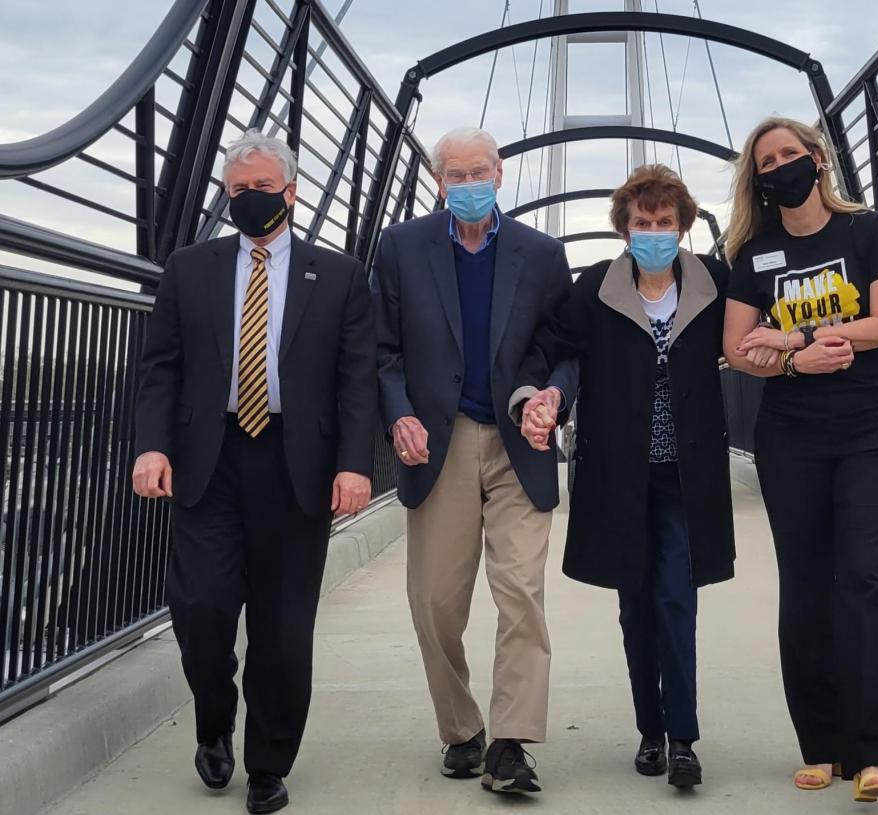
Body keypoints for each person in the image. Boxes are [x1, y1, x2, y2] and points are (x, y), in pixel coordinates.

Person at [132, 130, 376, 814]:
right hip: (208, 462)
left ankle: (268, 765)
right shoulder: (190, 267)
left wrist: (355, 463)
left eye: (263, 189)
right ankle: (214, 722)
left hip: (295, 467)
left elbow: (355, 380)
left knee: (282, 627)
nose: (250, 200)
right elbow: (161, 367)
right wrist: (151, 446)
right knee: (202, 611)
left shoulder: (340, 276)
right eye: (239, 191)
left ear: (291, 193)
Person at [370, 127, 577, 795]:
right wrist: (398, 411)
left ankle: (512, 741)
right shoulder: (401, 248)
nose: (466, 186)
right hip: (439, 440)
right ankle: (461, 728)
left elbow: (567, 351)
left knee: (520, 591)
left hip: (521, 440)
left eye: (477, 173)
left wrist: (553, 396)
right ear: (437, 181)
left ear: (500, 172)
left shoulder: (543, 255)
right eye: (453, 176)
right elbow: (382, 350)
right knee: (435, 599)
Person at [515, 164, 735, 789]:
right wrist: (544, 397)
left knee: (676, 599)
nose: (654, 233)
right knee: (636, 606)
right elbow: (557, 350)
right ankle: (650, 729)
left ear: (683, 226)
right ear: (625, 229)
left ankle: (685, 739)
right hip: (620, 475)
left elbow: (751, 332)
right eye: (643, 223)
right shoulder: (594, 290)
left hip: (686, 476)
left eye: (665, 223)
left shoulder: (712, 284)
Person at [722, 116, 878, 803]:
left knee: (861, 580)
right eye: (766, 160)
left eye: (789, 154)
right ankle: (823, 745)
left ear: (817, 160)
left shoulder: (866, 230)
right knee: (804, 588)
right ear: (757, 178)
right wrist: (794, 363)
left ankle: (875, 755)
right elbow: (739, 349)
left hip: (871, 431)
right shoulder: (753, 253)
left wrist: (802, 331)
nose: (780, 167)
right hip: (791, 438)